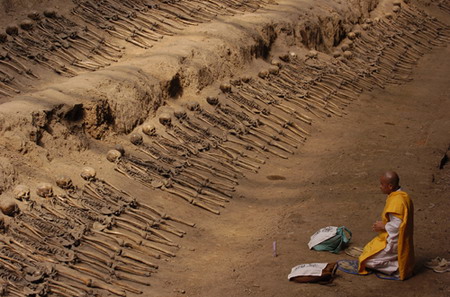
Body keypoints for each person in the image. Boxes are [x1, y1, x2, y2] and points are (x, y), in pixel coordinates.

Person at [358, 171, 414, 280]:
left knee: (366, 260)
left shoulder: (397, 201)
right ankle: (397, 260)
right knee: (367, 249)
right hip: (397, 238)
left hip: (395, 242)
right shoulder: (403, 196)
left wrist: (383, 226)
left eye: (382, 184)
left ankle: (397, 268)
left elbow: (398, 226)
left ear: (390, 186)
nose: (380, 187)